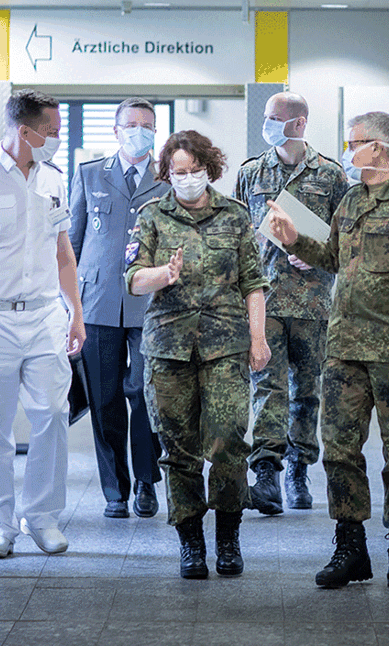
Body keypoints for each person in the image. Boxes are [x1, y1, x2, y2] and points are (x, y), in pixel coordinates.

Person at [267, 111, 389, 589]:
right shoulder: (351, 199)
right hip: (345, 347)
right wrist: (295, 240)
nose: (348, 149)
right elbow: (333, 256)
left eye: (354, 143)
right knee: (341, 449)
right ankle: (350, 546)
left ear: (379, 148)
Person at [124, 130, 271, 580]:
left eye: (194, 171)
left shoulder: (235, 215)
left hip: (226, 344)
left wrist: (259, 339)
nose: (186, 179)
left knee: (228, 440)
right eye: (178, 173)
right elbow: (132, 278)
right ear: (167, 173)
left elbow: (253, 282)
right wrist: (162, 275)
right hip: (168, 348)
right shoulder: (151, 215)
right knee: (179, 448)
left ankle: (228, 537)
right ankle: (190, 542)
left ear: (209, 168)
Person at [0, 89, 86, 558]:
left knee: (52, 414)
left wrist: (76, 312)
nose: (56, 137)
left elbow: (63, 252)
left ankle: (42, 516)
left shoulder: (52, 177)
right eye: (51, 130)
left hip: (46, 313)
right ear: (25, 131)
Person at [234, 92, 348, 514]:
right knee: (266, 386)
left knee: (307, 391)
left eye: (274, 117)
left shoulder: (331, 176)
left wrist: (314, 249)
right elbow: (238, 234)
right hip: (264, 299)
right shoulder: (251, 173)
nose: (266, 123)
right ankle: (267, 473)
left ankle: (300, 467)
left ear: (298, 124)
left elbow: (345, 237)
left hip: (313, 302)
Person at [69, 97, 169, 519]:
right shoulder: (89, 175)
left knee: (146, 395)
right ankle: (116, 491)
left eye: (147, 125)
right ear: (115, 130)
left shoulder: (168, 181)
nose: (139, 131)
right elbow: (70, 245)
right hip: (97, 304)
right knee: (105, 398)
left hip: (151, 306)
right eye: (131, 124)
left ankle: (146, 483)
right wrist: (68, 307)